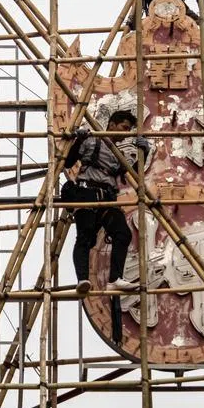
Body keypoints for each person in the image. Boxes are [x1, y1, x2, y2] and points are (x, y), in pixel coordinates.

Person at [62, 109, 149, 295]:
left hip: (108, 198)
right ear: (112, 124)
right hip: (87, 193)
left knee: (122, 233)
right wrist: (78, 140)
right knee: (84, 237)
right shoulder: (92, 140)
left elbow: (131, 174)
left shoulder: (118, 153)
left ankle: (115, 278)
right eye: (124, 128)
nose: (125, 133)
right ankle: (83, 279)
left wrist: (144, 153)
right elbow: (68, 162)